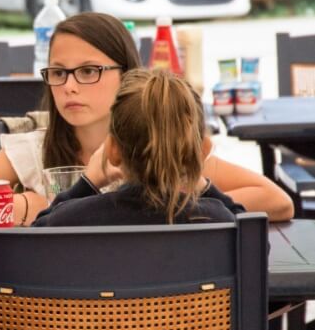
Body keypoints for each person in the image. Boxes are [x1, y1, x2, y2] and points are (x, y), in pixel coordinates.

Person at [0, 12, 294, 224]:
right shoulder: (32, 149)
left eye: (88, 71)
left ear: (127, 74)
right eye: (58, 73)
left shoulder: (162, 151)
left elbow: (278, 202)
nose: (69, 86)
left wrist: (172, 204)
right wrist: (22, 206)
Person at [34, 69, 244, 225]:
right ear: (203, 151)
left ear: (112, 150)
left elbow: (34, 237)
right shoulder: (217, 219)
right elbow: (253, 241)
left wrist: (87, 183)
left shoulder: (73, 219)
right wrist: (200, 182)